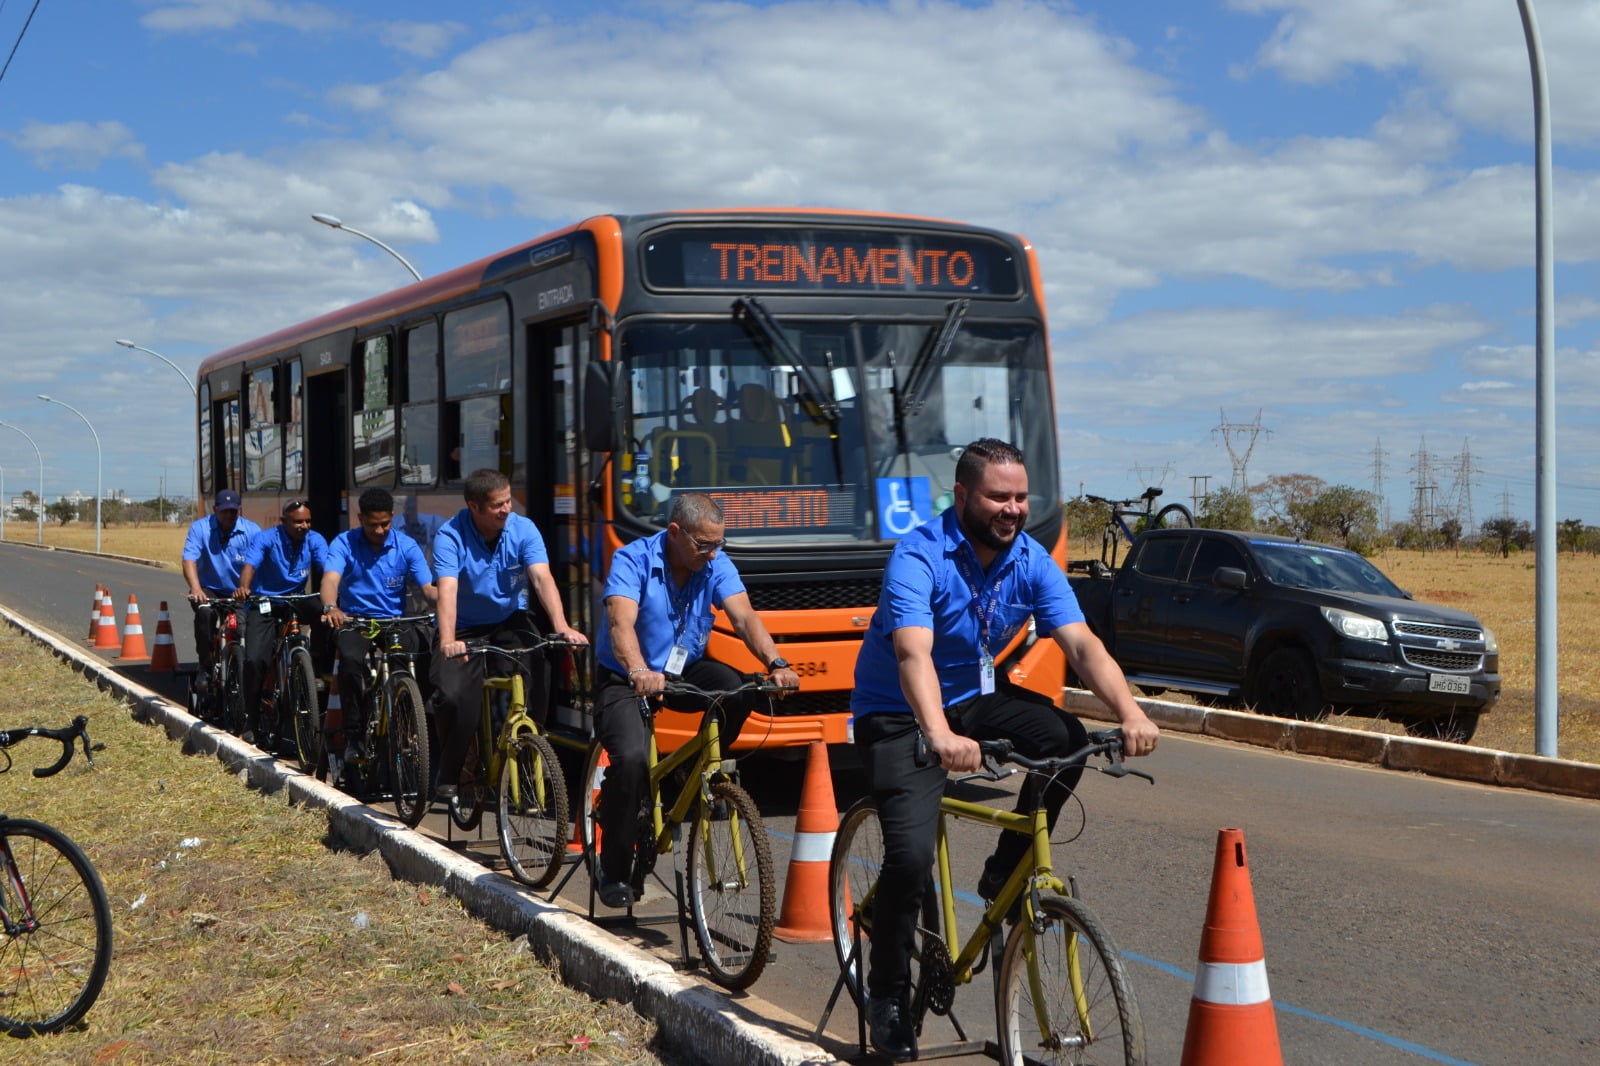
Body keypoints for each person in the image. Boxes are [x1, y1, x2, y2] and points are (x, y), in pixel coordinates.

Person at [849, 438, 1159, 1061]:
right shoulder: (919, 555)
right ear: (962, 495)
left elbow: (1082, 644)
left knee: (1068, 741)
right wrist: (937, 735)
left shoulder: (1030, 558)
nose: (1012, 508)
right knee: (908, 859)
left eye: (1020, 497)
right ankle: (886, 997)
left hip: (971, 697)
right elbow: (912, 654)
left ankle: (1003, 872)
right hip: (899, 710)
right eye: (998, 496)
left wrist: (1130, 713)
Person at [590, 492, 801, 908]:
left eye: (718, 544)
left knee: (740, 692)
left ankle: (688, 780)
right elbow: (620, 622)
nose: (711, 553)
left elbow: (743, 616)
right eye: (703, 545)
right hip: (625, 676)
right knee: (631, 760)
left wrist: (777, 662)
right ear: (674, 533)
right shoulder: (633, 560)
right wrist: (637, 670)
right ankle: (613, 869)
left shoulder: (714, 561)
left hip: (681, 669)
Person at [431, 469, 587, 799]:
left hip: (509, 618)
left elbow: (542, 578)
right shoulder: (450, 536)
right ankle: (451, 768)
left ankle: (531, 745)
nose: (507, 509)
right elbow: (447, 590)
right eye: (497, 505)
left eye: (508, 501)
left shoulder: (523, 528)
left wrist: (561, 626)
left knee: (540, 662)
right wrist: (447, 640)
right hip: (464, 624)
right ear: (474, 507)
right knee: (455, 696)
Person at [320, 487, 439, 764]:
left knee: (425, 655)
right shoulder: (344, 543)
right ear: (360, 518)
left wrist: (445, 600)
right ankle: (354, 736)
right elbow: (330, 580)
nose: (380, 530)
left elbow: (428, 588)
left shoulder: (406, 546)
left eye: (385, 524)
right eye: (373, 525)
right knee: (350, 661)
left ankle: (409, 716)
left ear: (392, 517)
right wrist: (331, 607)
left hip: (395, 621)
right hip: (357, 621)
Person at [234, 499, 330, 742]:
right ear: (283, 521)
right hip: (265, 601)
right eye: (298, 521)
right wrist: (244, 587)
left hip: (296, 598)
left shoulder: (315, 539)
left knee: (327, 616)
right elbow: (250, 565)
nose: (304, 526)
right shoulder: (266, 538)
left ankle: (316, 667)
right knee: (255, 659)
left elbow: (327, 569)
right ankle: (251, 719)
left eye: (308, 521)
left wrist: (335, 596)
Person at [181, 488, 261, 686]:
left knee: (249, 626)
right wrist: (196, 589)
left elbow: (262, 561)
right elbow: (189, 560)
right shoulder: (200, 529)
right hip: (210, 588)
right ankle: (205, 666)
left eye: (233, 511)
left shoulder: (251, 531)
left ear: (239, 510)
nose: (229, 515)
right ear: (215, 509)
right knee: (205, 614)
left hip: (241, 590)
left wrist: (252, 589)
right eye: (224, 511)